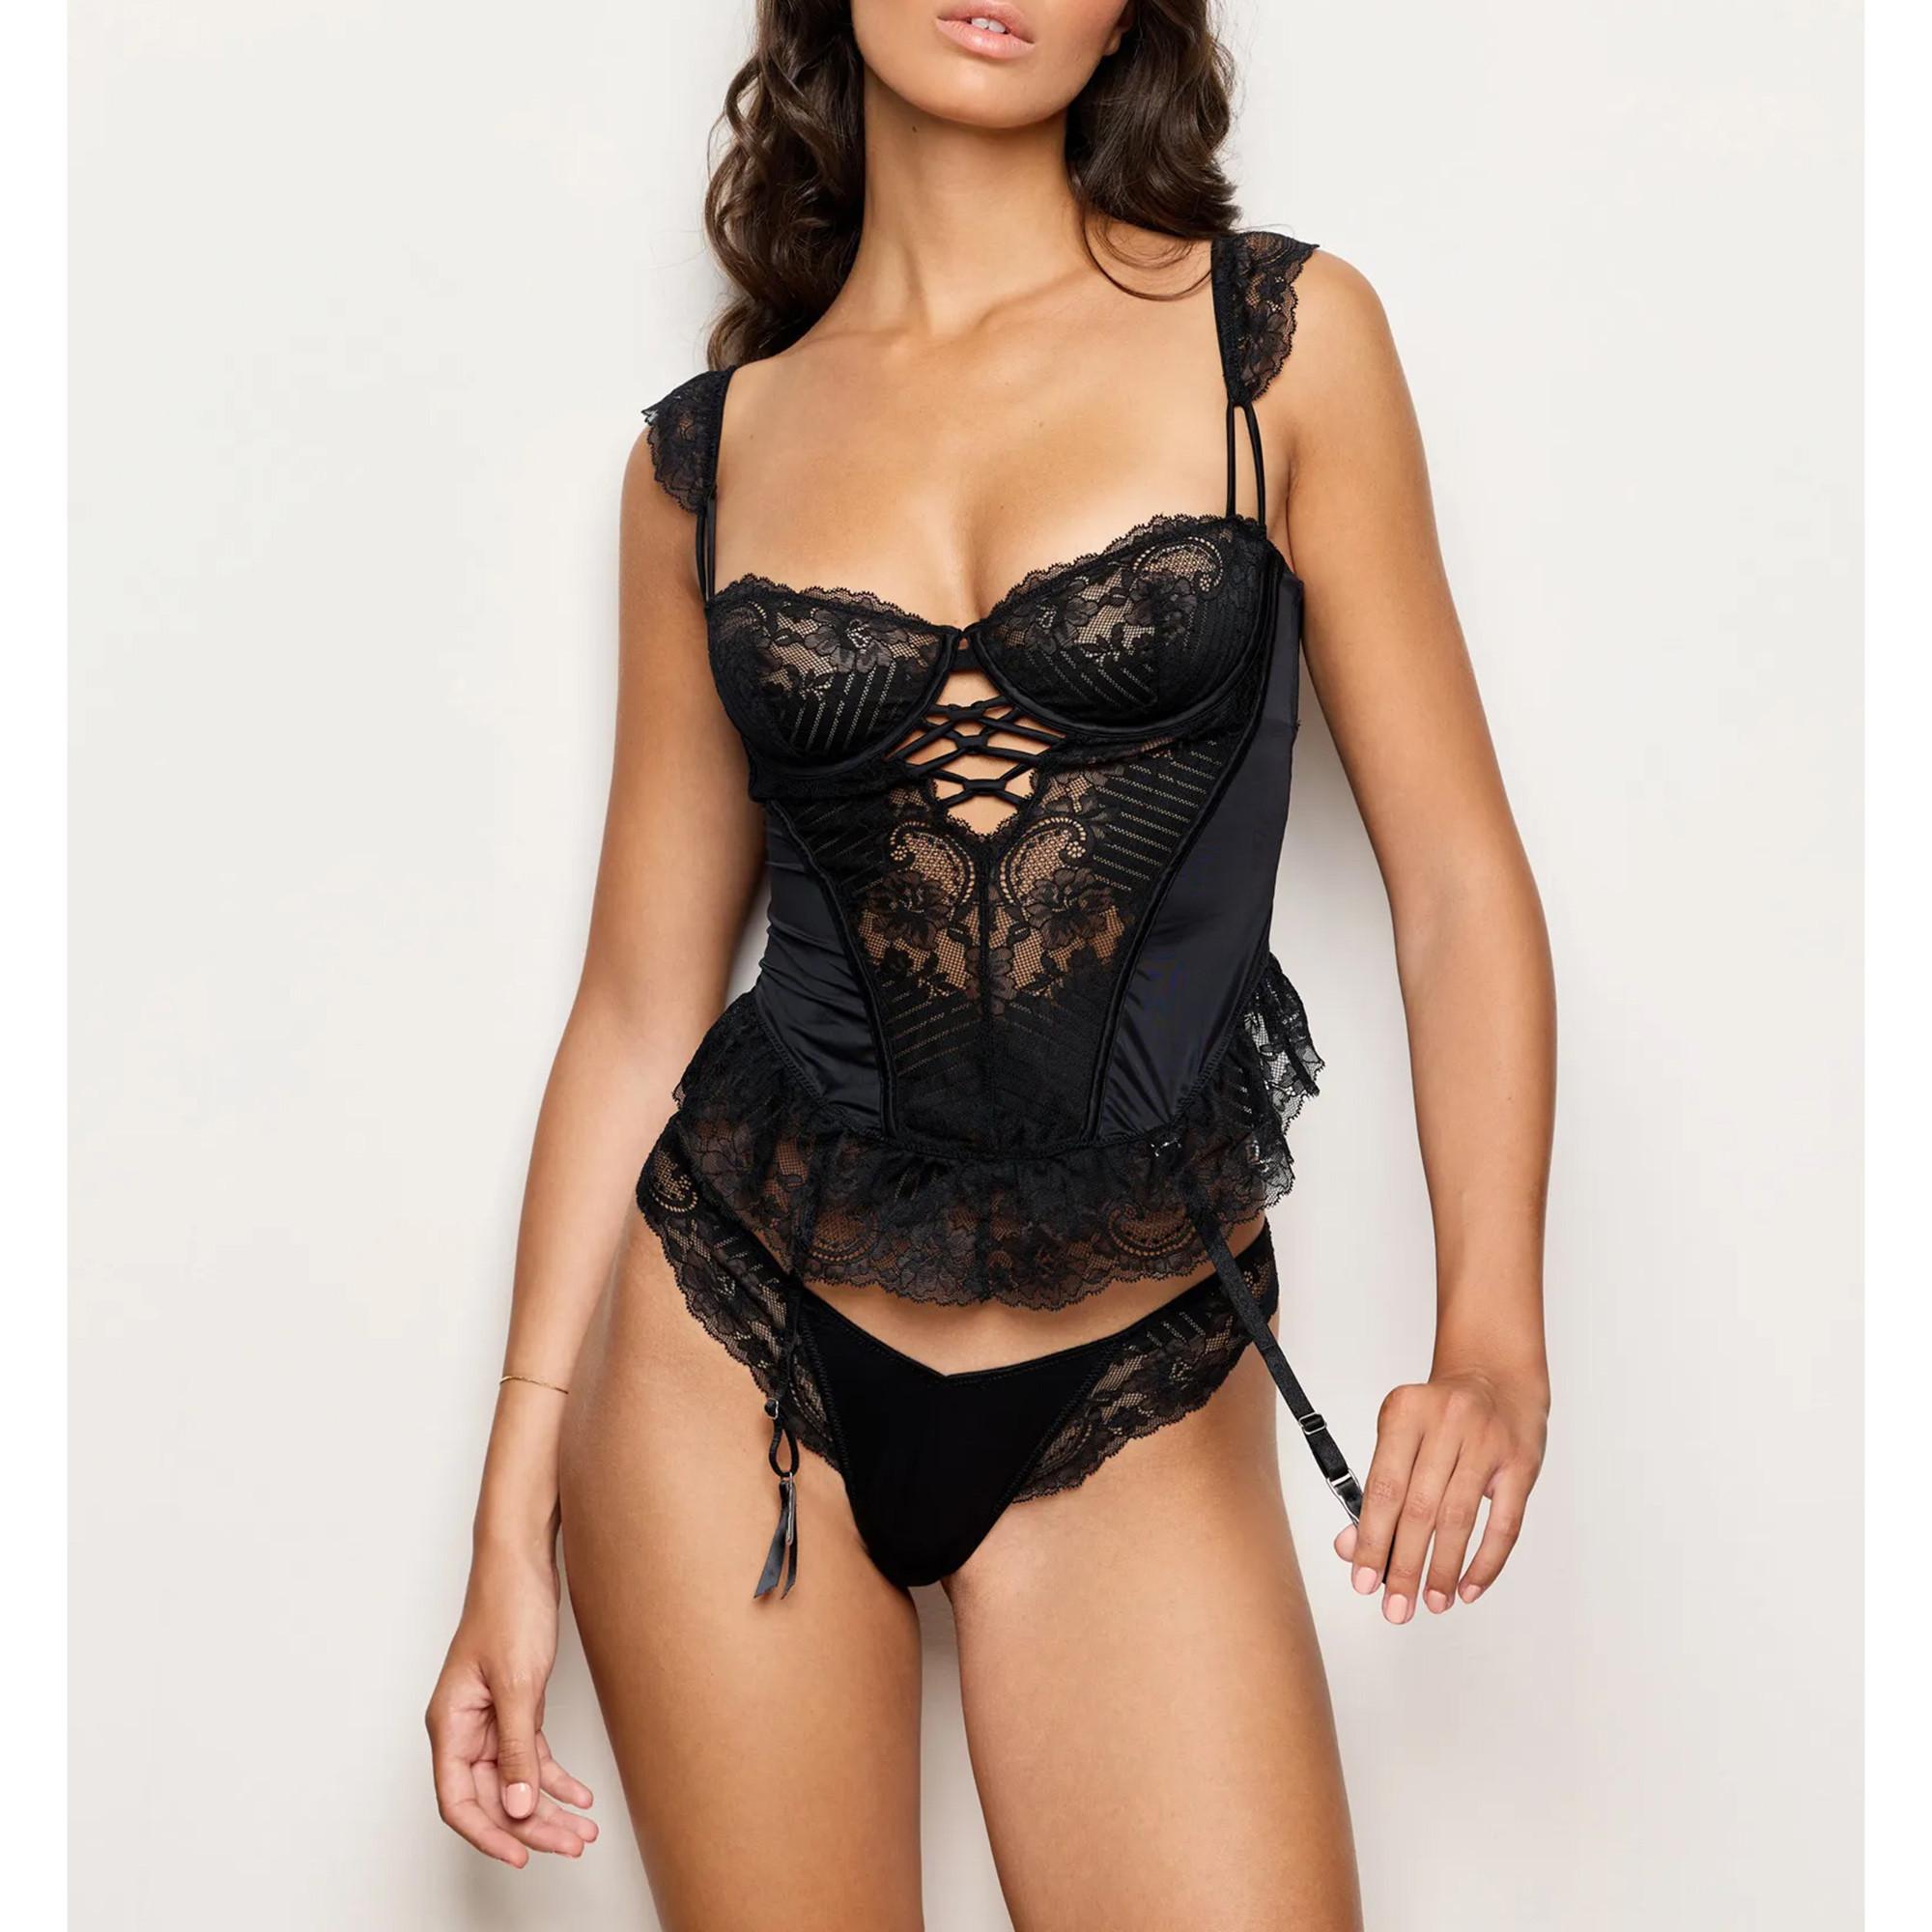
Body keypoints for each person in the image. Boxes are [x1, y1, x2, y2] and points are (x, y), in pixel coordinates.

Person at [427, 4, 1555, 1924]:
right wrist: (508, 1513)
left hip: (1133, 1360)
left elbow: (1452, 878)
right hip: (726, 1361)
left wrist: (1493, 1339)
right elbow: (635, 1003)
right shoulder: (705, 463)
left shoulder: (1278, 349)